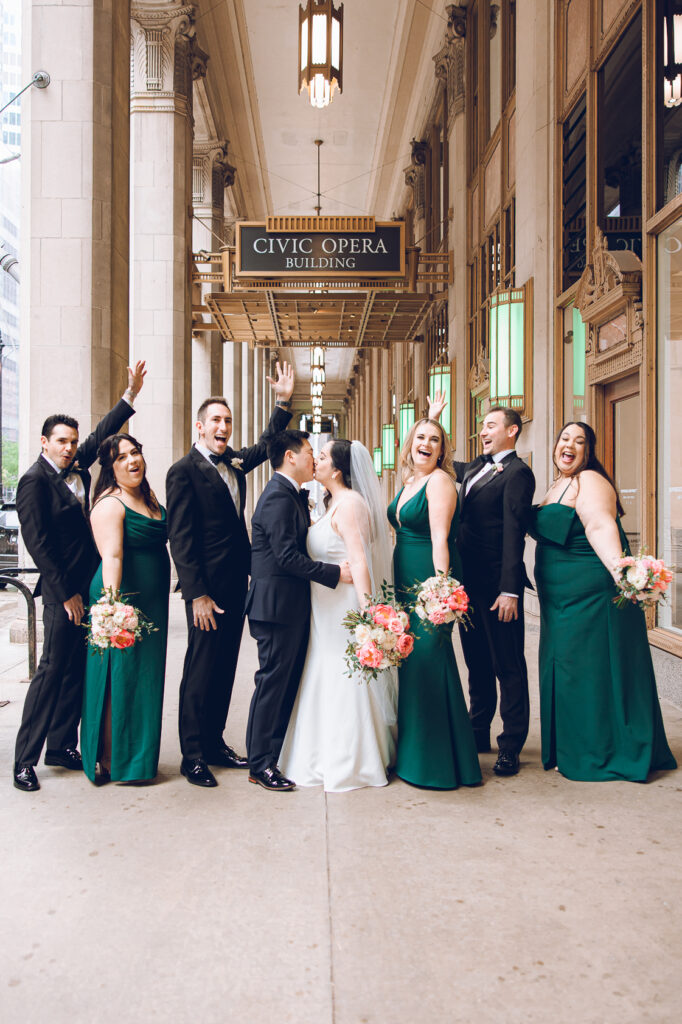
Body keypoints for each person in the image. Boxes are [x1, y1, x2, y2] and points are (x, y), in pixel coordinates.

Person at [12, 362, 147, 792]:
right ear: (44, 443)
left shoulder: (79, 468)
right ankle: (24, 761)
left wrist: (130, 396)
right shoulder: (33, 482)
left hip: (87, 589)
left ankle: (60, 746)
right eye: (61, 442)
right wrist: (67, 593)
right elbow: (39, 545)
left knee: (74, 671)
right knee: (51, 670)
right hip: (60, 594)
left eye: (72, 442)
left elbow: (100, 436)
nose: (70, 448)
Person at [166, 362, 294, 788]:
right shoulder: (182, 472)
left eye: (228, 421)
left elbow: (265, 446)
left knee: (224, 669)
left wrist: (282, 403)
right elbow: (180, 539)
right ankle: (193, 755)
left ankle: (215, 742)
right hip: (206, 591)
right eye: (216, 420)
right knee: (200, 669)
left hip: (237, 584)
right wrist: (196, 594)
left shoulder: (234, 464)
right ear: (200, 427)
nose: (223, 426)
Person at [528, 421, 677, 782]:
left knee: (584, 670)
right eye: (565, 438)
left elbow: (599, 526)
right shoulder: (556, 484)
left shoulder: (590, 481)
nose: (570, 445)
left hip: (588, 595)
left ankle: (595, 751)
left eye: (580, 441)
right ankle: (572, 746)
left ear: (588, 451)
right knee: (563, 667)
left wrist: (622, 573)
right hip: (559, 599)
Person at [279, 439, 397, 792]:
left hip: (344, 606)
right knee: (324, 671)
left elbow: (359, 560)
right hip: (323, 606)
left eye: (324, 456)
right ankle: (319, 752)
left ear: (339, 469)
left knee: (344, 675)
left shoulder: (350, 505)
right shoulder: (333, 503)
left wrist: (367, 615)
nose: (316, 459)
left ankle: (351, 760)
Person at [431, 398, 535, 777]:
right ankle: (478, 731)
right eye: (483, 426)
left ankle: (511, 744)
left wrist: (510, 589)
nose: (483, 431)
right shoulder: (476, 467)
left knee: (507, 665)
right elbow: (439, 460)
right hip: (468, 584)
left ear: (512, 431)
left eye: (491, 425)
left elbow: (514, 533)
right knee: (475, 662)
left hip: (497, 587)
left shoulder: (519, 473)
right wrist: (433, 421)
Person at [245, 430, 353, 791]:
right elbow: (286, 557)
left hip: (288, 606)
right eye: (310, 451)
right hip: (275, 608)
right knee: (272, 684)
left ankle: (270, 755)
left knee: (281, 682)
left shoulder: (291, 494)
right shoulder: (277, 497)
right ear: (291, 456)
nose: (313, 458)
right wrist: (336, 573)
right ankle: (261, 763)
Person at [387, 418, 481, 790]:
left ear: (443, 450)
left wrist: (442, 590)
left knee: (431, 660)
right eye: (421, 437)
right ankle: (415, 755)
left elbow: (442, 538)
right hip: (405, 579)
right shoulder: (411, 481)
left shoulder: (441, 481)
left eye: (435, 440)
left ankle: (439, 763)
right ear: (410, 443)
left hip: (429, 581)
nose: (426, 444)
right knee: (412, 662)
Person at [80, 434, 169, 784]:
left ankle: (139, 759)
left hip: (153, 603)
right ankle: (113, 759)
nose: (133, 461)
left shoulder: (147, 496)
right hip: (122, 600)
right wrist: (111, 609)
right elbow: (112, 557)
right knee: (120, 677)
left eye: (136, 453)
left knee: (145, 680)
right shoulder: (110, 504)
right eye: (122, 457)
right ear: (111, 467)